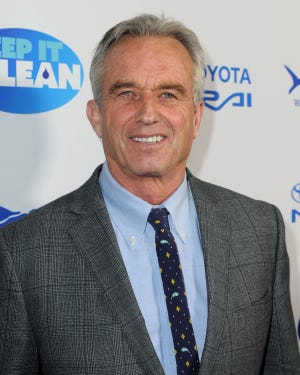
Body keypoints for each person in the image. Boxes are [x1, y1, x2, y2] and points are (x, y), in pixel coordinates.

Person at [0, 14, 299, 375]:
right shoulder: (24, 251)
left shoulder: (260, 230)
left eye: (168, 94)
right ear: (96, 117)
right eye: (127, 93)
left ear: (196, 116)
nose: (147, 113)